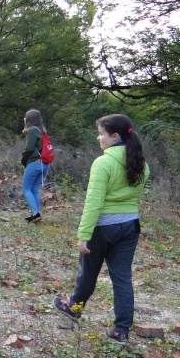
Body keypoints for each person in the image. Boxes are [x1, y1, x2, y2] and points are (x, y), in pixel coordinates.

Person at [54, 114, 149, 343]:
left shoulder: (103, 162)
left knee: (88, 272)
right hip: (130, 226)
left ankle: (74, 308)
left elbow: (94, 202)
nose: (99, 138)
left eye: (101, 133)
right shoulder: (141, 164)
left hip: (103, 227)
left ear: (114, 136)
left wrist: (83, 235)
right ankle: (121, 330)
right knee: (122, 278)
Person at [21, 109, 51, 223]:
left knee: (26, 188)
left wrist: (23, 160)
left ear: (29, 119)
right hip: (44, 164)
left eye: (26, 117)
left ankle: (35, 213)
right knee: (34, 189)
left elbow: (28, 148)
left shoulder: (33, 130)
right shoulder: (42, 131)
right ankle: (35, 214)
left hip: (34, 163)